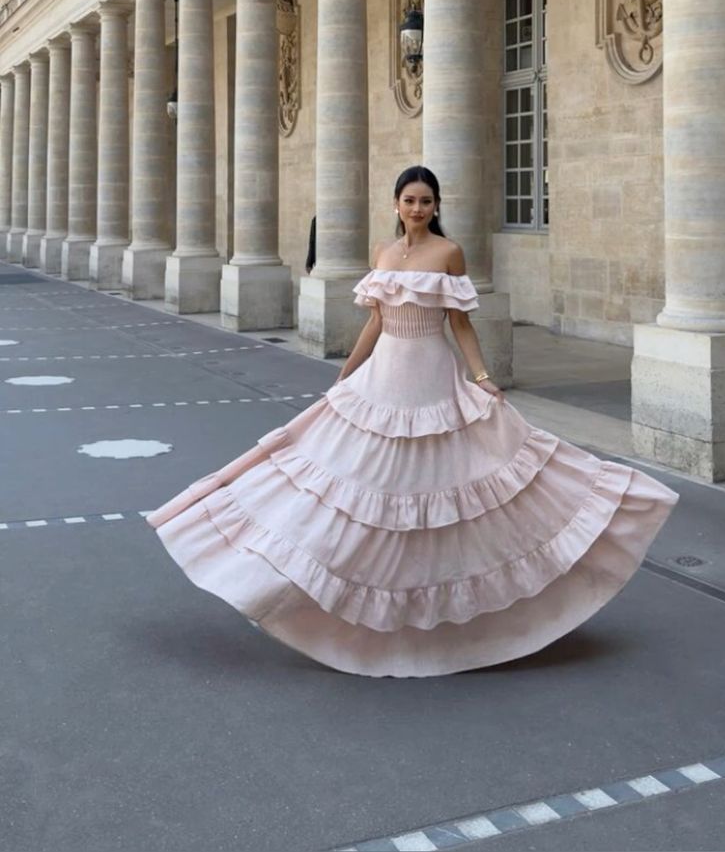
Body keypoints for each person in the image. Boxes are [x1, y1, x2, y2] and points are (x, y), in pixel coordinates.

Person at [147, 165, 678, 678]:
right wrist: (346, 375)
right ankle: (306, 594)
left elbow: (460, 324)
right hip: (384, 377)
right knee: (360, 487)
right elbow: (376, 323)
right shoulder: (383, 252)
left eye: (425, 201)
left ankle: (454, 621)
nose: (417, 208)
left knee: (444, 486)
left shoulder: (449, 253)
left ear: (436, 206)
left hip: (432, 376)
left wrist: (482, 376)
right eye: (409, 200)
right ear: (396, 205)